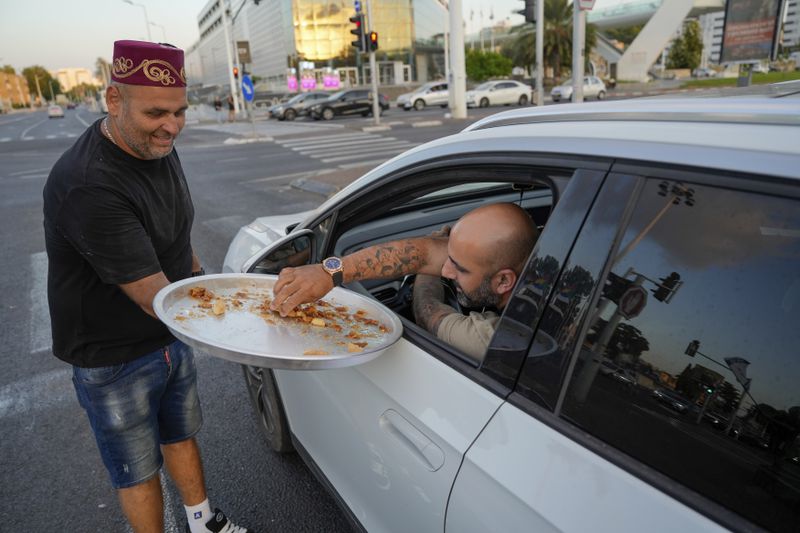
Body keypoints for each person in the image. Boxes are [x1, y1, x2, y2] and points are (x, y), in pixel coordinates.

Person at [43, 40, 252, 533]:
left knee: (180, 433)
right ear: (113, 101)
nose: (172, 125)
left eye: (180, 111)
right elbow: (152, 294)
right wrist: (248, 323)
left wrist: (201, 278)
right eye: (156, 112)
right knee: (137, 467)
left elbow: (176, 236)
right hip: (112, 354)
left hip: (168, 331)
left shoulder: (155, 143)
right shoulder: (88, 182)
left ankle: (203, 523)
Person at [271, 203, 539, 362]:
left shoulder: (500, 337)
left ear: (504, 281)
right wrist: (330, 272)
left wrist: (427, 273)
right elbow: (423, 253)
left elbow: (430, 313)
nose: (445, 270)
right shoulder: (545, 261)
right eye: (448, 257)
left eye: (457, 267)